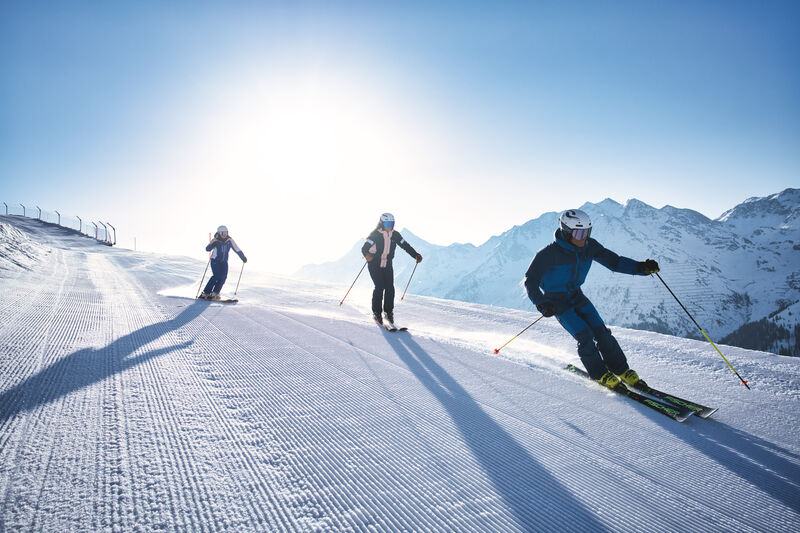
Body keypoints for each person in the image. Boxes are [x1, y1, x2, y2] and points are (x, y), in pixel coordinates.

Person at [524, 209, 659, 389]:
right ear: (566, 232)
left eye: (587, 232)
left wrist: (641, 268)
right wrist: (542, 303)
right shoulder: (548, 254)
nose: (584, 238)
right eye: (579, 233)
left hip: (577, 296)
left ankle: (621, 370)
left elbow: (615, 262)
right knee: (585, 336)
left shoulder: (590, 246)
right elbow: (530, 281)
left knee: (602, 333)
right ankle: (599, 374)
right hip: (557, 302)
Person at [361, 213, 422, 325]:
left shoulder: (395, 235)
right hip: (374, 264)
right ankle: (376, 312)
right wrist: (368, 256)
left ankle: (388, 312)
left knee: (390, 287)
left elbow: (405, 246)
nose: (389, 226)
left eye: (391, 224)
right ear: (381, 223)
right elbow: (364, 248)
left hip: (387, 265)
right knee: (379, 287)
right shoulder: (375, 235)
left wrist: (415, 255)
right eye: (387, 224)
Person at [200, 225, 247, 300]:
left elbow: (237, 249)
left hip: (224, 262)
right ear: (219, 233)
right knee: (216, 276)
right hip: (215, 260)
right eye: (222, 233)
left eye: (225, 232)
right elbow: (207, 249)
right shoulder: (215, 240)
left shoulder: (229, 240)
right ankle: (206, 292)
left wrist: (243, 257)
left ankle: (215, 293)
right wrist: (212, 245)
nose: (224, 234)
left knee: (223, 277)